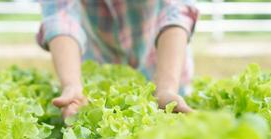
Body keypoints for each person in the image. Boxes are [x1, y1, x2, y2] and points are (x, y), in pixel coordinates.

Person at [37, 0, 198, 118]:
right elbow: (61, 15)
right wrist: (72, 84)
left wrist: (167, 89)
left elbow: (175, 9)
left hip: (163, 65)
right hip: (96, 73)